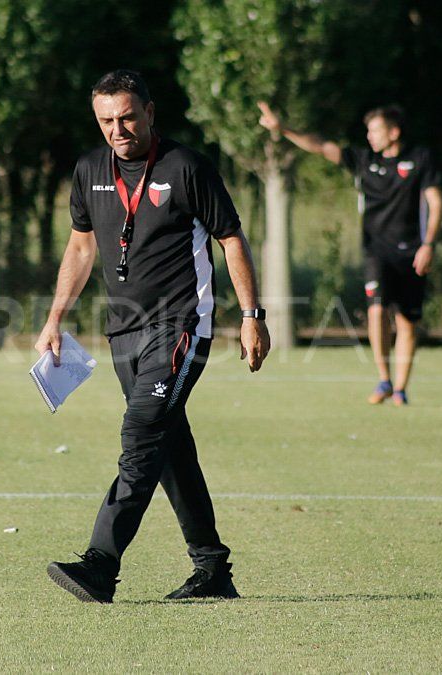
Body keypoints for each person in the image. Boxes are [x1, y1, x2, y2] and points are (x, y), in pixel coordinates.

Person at [36, 70, 270, 603]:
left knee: (141, 434)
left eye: (126, 117)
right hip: (122, 332)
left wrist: (253, 314)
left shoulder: (186, 167)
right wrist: (54, 319)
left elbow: (231, 239)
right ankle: (212, 570)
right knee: (167, 449)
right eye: (105, 120)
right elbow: (79, 248)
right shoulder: (89, 169)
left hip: (182, 326)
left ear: (149, 112)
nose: (117, 129)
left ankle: (100, 564)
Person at [258, 102, 442, 405]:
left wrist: (429, 244)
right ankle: (384, 379)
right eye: (368, 131)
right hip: (376, 252)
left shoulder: (420, 159)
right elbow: (319, 146)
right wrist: (283, 129)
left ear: (394, 132)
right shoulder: (362, 160)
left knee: (408, 322)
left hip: (412, 252)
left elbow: (435, 203)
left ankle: (401, 389)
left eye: (375, 130)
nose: (370, 136)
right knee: (377, 310)